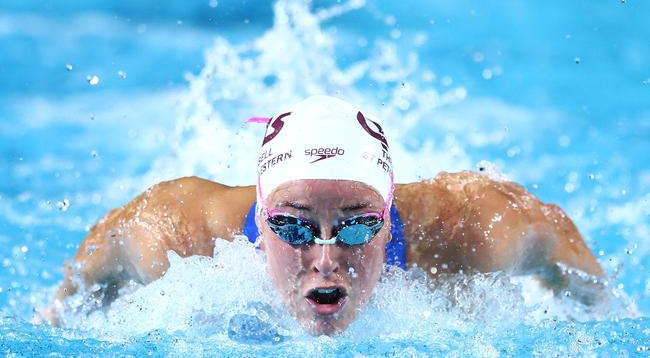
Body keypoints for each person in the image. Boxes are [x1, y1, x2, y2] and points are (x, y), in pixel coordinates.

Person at [40, 95, 604, 335]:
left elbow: (567, 256)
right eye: (293, 226)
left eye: (358, 225)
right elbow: (91, 267)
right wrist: (56, 317)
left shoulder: (476, 230)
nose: (327, 257)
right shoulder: (176, 233)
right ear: (261, 219)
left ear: (388, 217)